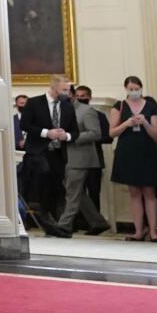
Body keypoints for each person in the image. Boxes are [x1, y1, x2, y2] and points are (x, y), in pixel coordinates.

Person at [19, 76, 80, 237]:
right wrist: (47, 133)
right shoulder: (34, 103)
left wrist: (65, 136)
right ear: (54, 88)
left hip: (59, 153)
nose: (68, 93)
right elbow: (24, 124)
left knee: (56, 188)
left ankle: (54, 225)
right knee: (42, 180)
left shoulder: (67, 107)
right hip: (38, 152)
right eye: (64, 90)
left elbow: (75, 131)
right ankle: (45, 218)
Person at [109, 76, 157, 241]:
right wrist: (126, 123)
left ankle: (153, 231)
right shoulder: (118, 106)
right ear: (126, 89)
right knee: (134, 193)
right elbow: (112, 133)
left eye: (136, 88)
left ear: (141, 88)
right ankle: (138, 231)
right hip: (127, 151)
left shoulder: (150, 106)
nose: (134, 92)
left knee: (149, 192)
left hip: (147, 151)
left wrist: (146, 123)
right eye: (131, 89)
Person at [56, 86, 111, 236]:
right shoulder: (58, 111)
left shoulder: (86, 111)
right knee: (77, 192)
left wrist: (70, 137)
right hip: (63, 157)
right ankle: (98, 222)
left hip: (81, 157)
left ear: (73, 95)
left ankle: (63, 226)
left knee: (72, 192)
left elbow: (95, 133)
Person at [74, 84, 109, 211]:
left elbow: (108, 137)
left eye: (83, 96)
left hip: (94, 159)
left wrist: (88, 137)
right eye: (77, 96)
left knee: (94, 192)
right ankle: (78, 221)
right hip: (76, 159)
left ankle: (95, 223)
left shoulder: (99, 115)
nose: (80, 98)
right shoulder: (72, 114)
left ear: (89, 97)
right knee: (76, 193)